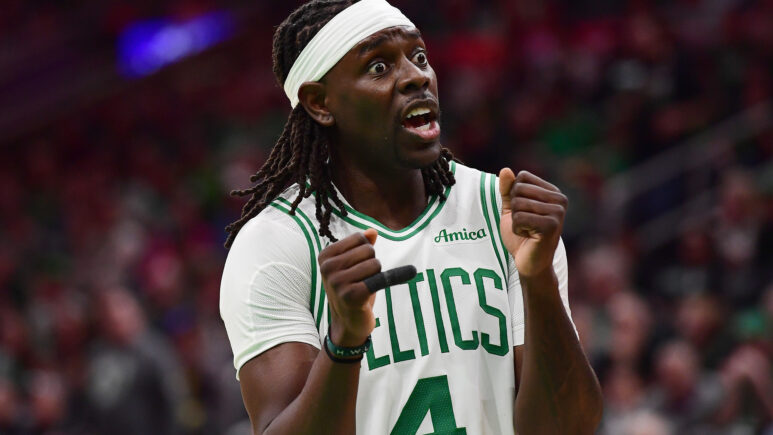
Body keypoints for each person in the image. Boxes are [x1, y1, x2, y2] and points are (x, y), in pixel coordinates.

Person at [219, 0, 603, 433]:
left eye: (419, 57)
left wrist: (539, 281)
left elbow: (568, 428)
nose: (416, 76)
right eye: (379, 67)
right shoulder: (277, 243)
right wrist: (344, 341)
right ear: (319, 102)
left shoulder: (504, 212)